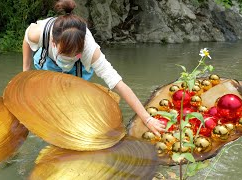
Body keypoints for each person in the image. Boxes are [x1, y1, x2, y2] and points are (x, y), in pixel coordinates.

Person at [22, 0, 165, 136]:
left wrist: (147, 119)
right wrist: (25, 72)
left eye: (74, 54)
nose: (69, 57)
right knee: (50, 97)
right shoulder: (40, 33)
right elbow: (26, 41)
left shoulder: (90, 50)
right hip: (50, 61)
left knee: (73, 99)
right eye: (65, 54)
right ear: (53, 42)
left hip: (77, 69)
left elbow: (118, 84)